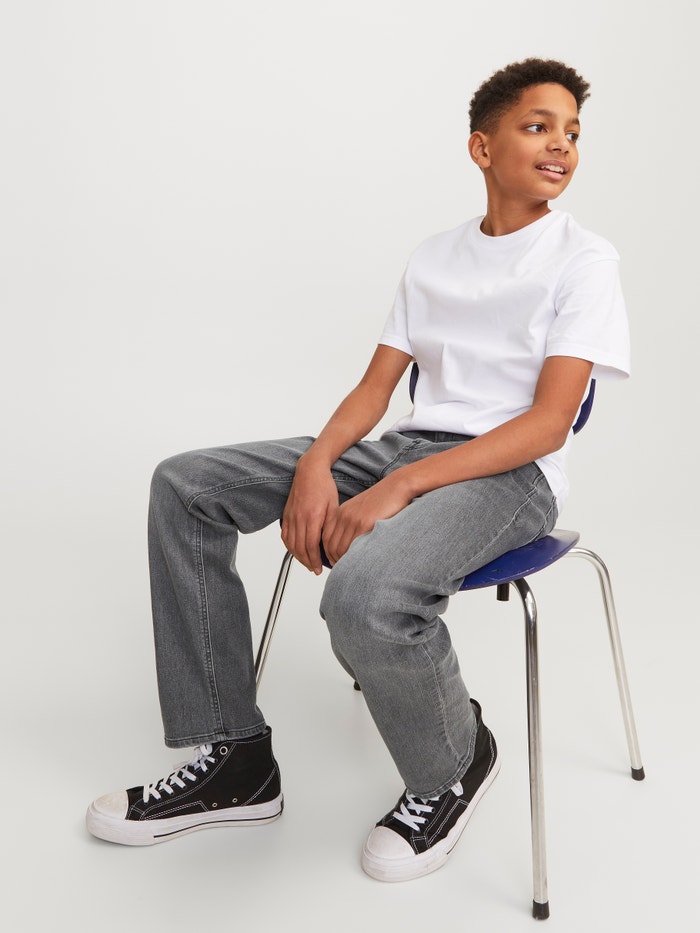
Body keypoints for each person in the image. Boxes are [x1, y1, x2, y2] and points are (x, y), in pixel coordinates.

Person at [86, 58, 629, 882]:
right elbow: (377, 389)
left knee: (365, 594)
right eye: (537, 126)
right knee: (187, 485)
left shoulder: (584, 260)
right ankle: (235, 757)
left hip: (511, 474)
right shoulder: (434, 257)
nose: (561, 144)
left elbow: (549, 421)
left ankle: (454, 761)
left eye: (572, 132)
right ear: (482, 148)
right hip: (406, 448)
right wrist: (319, 462)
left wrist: (399, 487)